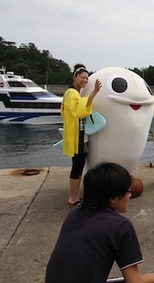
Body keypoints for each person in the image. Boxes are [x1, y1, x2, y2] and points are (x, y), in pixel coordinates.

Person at [45, 162, 154, 283]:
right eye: (128, 191)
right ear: (113, 198)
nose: (130, 196)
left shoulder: (74, 215)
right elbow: (134, 281)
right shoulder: (120, 226)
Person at [61, 63, 102, 208]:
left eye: (87, 79)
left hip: (81, 135)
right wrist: (95, 92)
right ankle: (73, 198)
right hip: (77, 136)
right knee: (77, 168)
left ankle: (76, 196)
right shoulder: (71, 93)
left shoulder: (76, 93)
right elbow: (80, 110)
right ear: (75, 77)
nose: (85, 80)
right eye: (83, 78)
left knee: (79, 166)